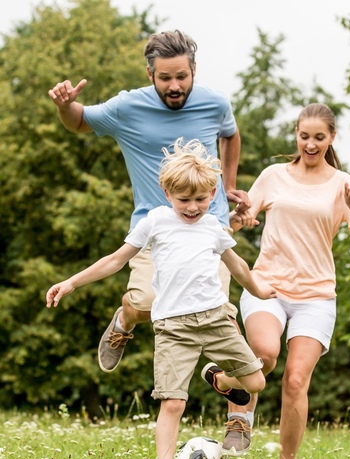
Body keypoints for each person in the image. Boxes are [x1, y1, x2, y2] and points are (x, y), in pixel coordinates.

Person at [46, 138, 276, 459]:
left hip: (215, 320)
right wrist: (72, 282)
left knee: (256, 381)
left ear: (212, 193)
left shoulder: (214, 228)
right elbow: (115, 260)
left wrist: (260, 290)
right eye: (184, 200)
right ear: (167, 192)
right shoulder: (155, 222)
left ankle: (218, 379)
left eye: (201, 199)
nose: (193, 207)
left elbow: (239, 266)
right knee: (172, 403)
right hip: (173, 328)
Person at [47, 29, 248, 374]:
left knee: (223, 317)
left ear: (194, 71)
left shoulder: (215, 103)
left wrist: (227, 185)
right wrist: (65, 106)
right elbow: (78, 121)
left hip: (209, 225)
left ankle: (239, 422)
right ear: (150, 74)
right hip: (153, 230)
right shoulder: (127, 107)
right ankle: (125, 318)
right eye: (165, 77)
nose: (174, 86)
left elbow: (229, 133)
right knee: (146, 304)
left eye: (182, 76)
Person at [228, 103, 350, 459]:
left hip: (317, 296)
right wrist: (240, 219)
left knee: (295, 380)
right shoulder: (274, 175)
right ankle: (239, 415)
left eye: (319, 138)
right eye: (304, 136)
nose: (310, 144)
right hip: (268, 285)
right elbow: (239, 219)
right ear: (296, 134)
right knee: (264, 352)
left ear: (332, 138)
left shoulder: (343, 184)